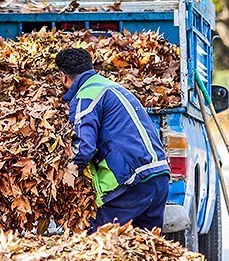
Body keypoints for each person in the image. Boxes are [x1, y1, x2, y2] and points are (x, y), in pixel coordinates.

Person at [56, 47, 170, 233]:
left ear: (63, 76)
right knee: (145, 248)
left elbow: (83, 148)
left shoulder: (86, 96)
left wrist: (63, 178)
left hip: (133, 183)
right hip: (159, 177)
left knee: (95, 242)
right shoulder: (113, 87)